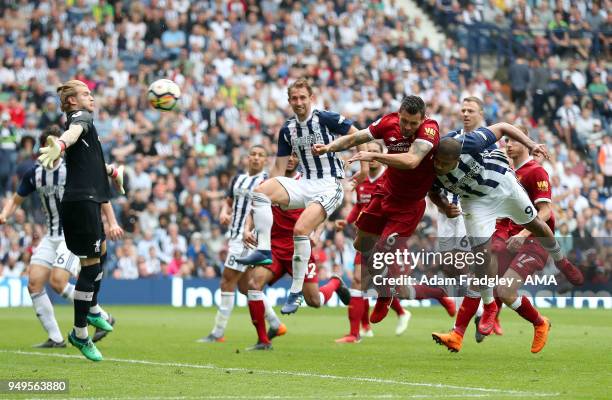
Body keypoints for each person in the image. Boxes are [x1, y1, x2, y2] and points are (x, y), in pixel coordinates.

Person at [428, 123, 583, 340]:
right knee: (480, 266)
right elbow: (431, 191)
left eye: (514, 141)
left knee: (532, 230)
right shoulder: (429, 167)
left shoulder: (530, 169)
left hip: (514, 214)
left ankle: (560, 262)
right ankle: (469, 325)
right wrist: (444, 206)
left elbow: (546, 211)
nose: (508, 145)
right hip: (479, 206)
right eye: (507, 142)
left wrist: (521, 235)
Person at [314, 95, 456, 324]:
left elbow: (411, 161)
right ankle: (428, 290)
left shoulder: (429, 131)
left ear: (423, 119)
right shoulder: (388, 122)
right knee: (361, 245)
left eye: (413, 123)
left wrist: (375, 155)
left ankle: (384, 296)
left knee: (381, 252)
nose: (408, 127)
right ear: (399, 114)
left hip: (408, 205)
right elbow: (357, 137)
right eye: (405, 121)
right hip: (384, 193)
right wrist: (329, 147)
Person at [236, 78, 368, 314]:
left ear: (311, 98)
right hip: (304, 183)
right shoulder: (288, 129)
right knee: (260, 191)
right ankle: (264, 249)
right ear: (289, 101)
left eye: (302, 97)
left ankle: (296, 291)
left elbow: (359, 134)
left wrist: (365, 169)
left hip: (329, 185)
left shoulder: (325, 118)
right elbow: (278, 169)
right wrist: (274, 192)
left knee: (300, 230)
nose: (298, 102)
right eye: (294, 98)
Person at [0, 126, 115, 347]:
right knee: (34, 283)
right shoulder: (35, 173)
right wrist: (4, 214)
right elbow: (16, 199)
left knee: (58, 282)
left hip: (71, 235)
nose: (56, 149)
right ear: (43, 147)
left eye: (58, 144)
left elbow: (99, 194)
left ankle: (100, 315)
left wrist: (111, 222)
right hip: (51, 235)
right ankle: (55, 337)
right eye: (50, 144)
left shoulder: (72, 169)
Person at [37, 80, 125, 361]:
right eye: (86, 94)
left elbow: (90, 161)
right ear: (73, 101)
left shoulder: (86, 129)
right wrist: (61, 143)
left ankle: (95, 311)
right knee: (90, 266)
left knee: (98, 256)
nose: (92, 98)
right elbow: (72, 134)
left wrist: (111, 172)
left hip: (86, 201)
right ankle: (80, 333)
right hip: (81, 202)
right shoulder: (80, 119)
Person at [243, 153, 351, 350]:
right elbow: (254, 208)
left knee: (314, 301)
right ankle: (263, 340)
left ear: (300, 159)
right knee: (253, 285)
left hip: (298, 246)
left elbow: (322, 210)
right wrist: (247, 228)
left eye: (295, 155)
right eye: (288, 155)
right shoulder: (271, 182)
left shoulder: (308, 182)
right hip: (274, 247)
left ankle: (335, 282)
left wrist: (317, 233)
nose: (291, 159)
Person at [198, 145, 283, 343]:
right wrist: (223, 212)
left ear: (265, 160)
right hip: (235, 235)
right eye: (253, 154)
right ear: (247, 157)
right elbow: (229, 201)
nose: (256, 158)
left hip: (248, 238)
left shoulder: (266, 181)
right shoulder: (237, 179)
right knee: (247, 288)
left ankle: (218, 332)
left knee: (227, 281)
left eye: (260, 155)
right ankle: (276, 324)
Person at [333, 141, 411, 343]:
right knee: (359, 282)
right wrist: (347, 221)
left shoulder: (390, 178)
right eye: (370, 152)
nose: (373, 155)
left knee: (386, 285)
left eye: (377, 152)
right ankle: (355, 333)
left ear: (382, 155)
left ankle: (408, 309)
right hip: (367, 237)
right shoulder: (363, 180)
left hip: (386, 239)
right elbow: (359, 207)